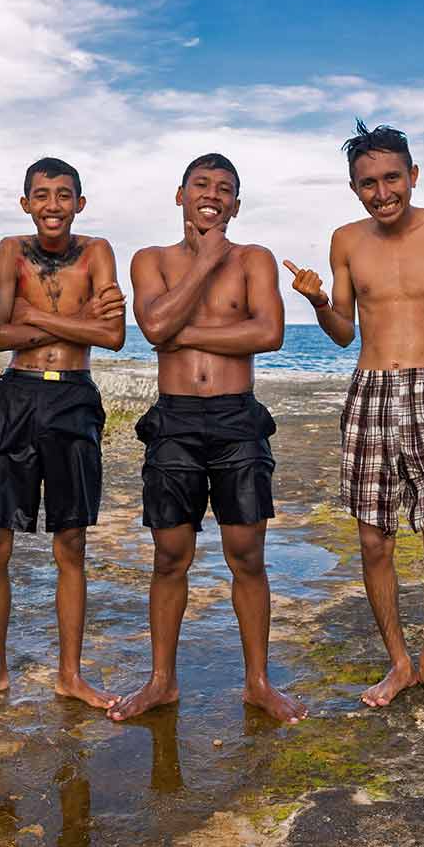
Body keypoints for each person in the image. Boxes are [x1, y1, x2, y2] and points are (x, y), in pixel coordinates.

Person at [285, 120, 424, 710]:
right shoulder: (346, 239)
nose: (382, 192)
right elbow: (343, 332)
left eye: (392, 177)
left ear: (413, 175)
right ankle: (398, 662)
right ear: (354, 188)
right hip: (369, 390)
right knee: (375, 541)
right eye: (367, 183)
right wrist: (320, 301)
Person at [108, 152, 306, 725]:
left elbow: (269, 333)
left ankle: (258, 683)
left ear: (236, 204)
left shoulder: (254, 260)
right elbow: (151, 328)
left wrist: (179, 330)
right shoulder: (152, 259)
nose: (212, 195)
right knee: (171, 556)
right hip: (174, 421)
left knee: (247, 554)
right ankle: (162, 680)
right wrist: (204, 263)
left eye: (224, 189)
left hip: (236, 419)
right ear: (180, 194)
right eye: (201, 185)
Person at [0, 157, 125, 711]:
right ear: (25, 203)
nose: (53, 205)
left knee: (70, 541)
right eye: (42, 195)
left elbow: (115, 335)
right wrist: (78, 321)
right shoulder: (10, 250)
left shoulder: (97, 251)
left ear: (80, 202)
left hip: (74, 395)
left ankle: (70, 674)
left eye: (64, 195)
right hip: (17, 394)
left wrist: (39, 317)